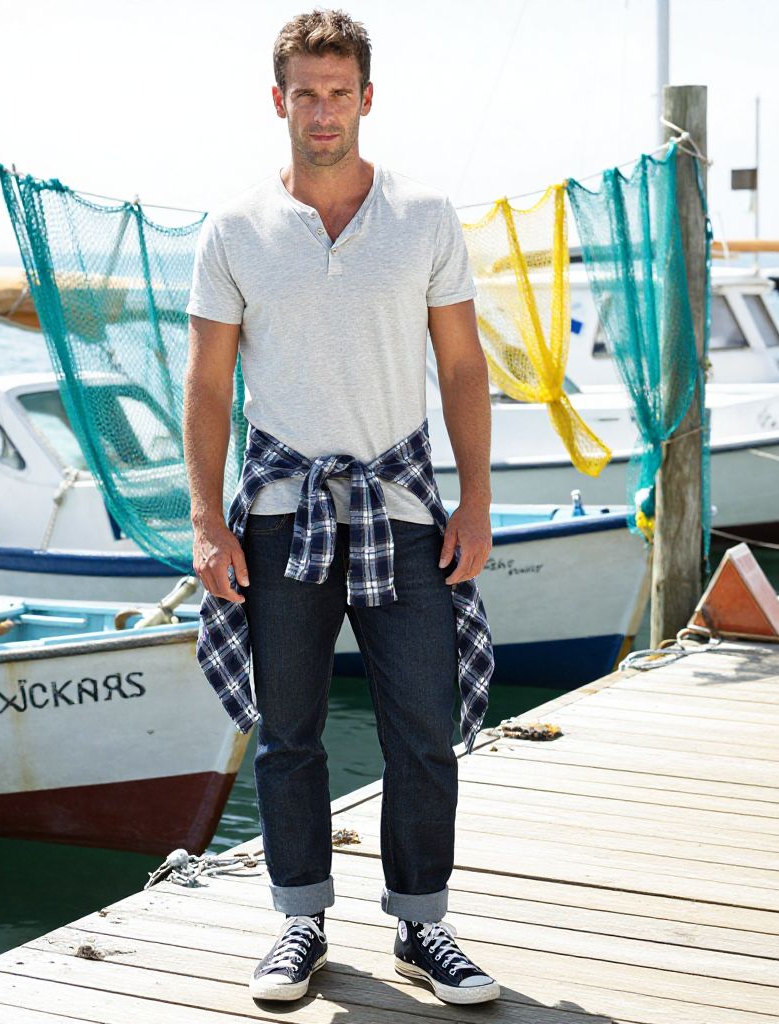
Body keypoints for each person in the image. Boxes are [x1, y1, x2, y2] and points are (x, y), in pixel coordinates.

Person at [183, 8, 499, 1007]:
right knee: (291, 732)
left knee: (421, 727)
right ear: (278, 101)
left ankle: (421, 925)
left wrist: (477, 498)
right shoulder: (233, 229)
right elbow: (204, 387)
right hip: (279, 515)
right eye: (306, 93)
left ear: (369, 97)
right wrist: (205, 517)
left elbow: (459, 367)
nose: (323, 110)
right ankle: (299, 920)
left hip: (402, 508)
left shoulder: (424, 217)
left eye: (340, 91)